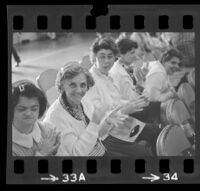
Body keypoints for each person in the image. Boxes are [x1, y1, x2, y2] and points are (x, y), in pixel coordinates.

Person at [82, 36, 163, 155]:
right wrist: (125, 110)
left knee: (156, 131)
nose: (106, 61)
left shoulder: (107, 75)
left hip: (120, 124)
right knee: (143, 152)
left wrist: (133, 103)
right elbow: (98, 124)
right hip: (106, 136)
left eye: (110, 56)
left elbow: (116, 101)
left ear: (115, 57)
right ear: (94, 58)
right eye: (102, 56)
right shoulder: (90, 82)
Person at [43, 62, 136, 156]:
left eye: (83, 85)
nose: (79, 90)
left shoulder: (82, 101)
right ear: (62, 86)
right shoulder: (56, 117)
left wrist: (107, 122)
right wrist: (95, 122)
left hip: (100, 152)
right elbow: (76, 154)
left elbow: (96, 134)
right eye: (72, 85)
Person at [109, 37, 161, 123]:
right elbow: (129, 98)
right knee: (160, 105)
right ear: (119, 55)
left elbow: (135, 91)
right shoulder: (116, 73)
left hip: (134, 104)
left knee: (160, 101)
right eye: (132, 53)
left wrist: (141, 81)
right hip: (128, 112)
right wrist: (141, 84)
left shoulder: (128, 68)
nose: (135, 56)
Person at [12, 80, 61, 156]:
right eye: (21, 109)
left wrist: (55, 150)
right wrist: (42, 154)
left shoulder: (48, 129)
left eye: (34, 109)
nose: (28, 113)